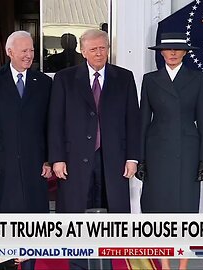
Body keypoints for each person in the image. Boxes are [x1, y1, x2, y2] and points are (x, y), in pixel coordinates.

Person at [48, 28, 140, 269]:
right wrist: (56, 158)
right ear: (82, 51)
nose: (99, 53)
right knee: (77, 213)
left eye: (103, 48)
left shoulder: (125, 77)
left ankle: (109, 262)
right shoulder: (64, 78)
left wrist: (133, 157)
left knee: (112, 213)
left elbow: (133, 120)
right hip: (75, 159)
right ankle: (78, 263)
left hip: (113, 159)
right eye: (93, 49)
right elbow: (55, 121)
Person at [0, 30, 52, 270]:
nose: (29, 55)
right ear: (10, 52)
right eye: (24, 51)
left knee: (33, 219)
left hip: (34, 162)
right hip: (0, 162)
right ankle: (3, 264)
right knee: (3, 218)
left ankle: (29, 264)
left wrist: (50, 160)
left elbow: (51, 124)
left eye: (31, 50)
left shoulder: (44, 82)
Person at [136, 32, 203, 270]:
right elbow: (142, 121)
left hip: (188, 152)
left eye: (177, 50)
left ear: (185, 53)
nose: (172, 53)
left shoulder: (197, 78)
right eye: (168, 50)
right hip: (156, 152)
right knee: (158, 208)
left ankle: (182, 266)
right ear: (161, 52)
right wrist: (141, 160)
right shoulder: (150, 79)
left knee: (186, 209)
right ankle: (165, 265)